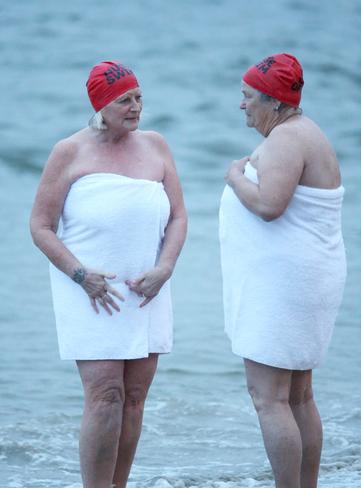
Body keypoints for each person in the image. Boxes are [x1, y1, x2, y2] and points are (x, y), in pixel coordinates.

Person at [30, 60, 187, 488]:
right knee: (105, 397)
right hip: (91, 290)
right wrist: (81, 276)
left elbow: (178, 216)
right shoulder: (70, 150)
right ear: (101, 106)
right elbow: (40, 226)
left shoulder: (156, 145)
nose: (136, 107)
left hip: (148, 289)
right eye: (125, 100)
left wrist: (165, 269)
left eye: (139, 98)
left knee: (134, 399)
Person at [219, 53, 346, 488]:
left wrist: (235, 176)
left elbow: (270, 205)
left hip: (286, 285)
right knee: (297, 395)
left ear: (273, 101)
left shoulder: (287, 140)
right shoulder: (303, 133)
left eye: (247, 96)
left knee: (269, 398)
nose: (242, 104)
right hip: (305, 278)